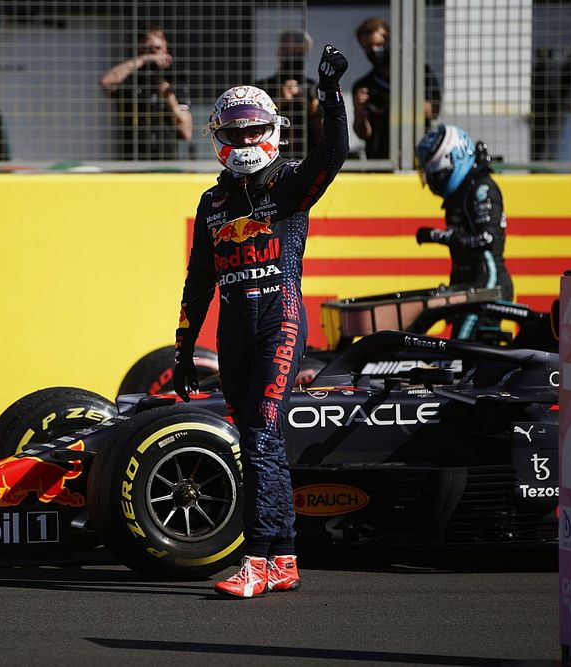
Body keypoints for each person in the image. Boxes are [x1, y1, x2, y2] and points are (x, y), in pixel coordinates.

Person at [173, 45, 349, 598]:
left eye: (255, 132)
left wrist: (330, 95)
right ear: (220, 137)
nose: (247, 142)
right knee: (260, 443)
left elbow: (335, 153)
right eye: (237, 133)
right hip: (232, 334)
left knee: (258, 439)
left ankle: (255, 559)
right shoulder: (211, 204)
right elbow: (198, 281)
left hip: (281, 323)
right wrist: (182, 347)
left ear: (273, 130)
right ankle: (285, 557)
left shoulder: (293, 184)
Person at [415, 124, 513, 341]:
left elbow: (487, 239)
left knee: (461, 348)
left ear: (456, 158)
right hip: (468, 286)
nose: (433, 183)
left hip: (489, 286)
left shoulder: (482, 189)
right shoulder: (459, 194)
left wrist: (440, 236)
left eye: (438, 174)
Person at [351, 17, 441, 159]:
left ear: (389, 40)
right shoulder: (364, 85)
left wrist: (398, 98)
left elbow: (434, 111)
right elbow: (363, 134)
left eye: (379, 44)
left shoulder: (418, 73)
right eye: (368, 47)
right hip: (380, 160)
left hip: (415, 156)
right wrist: (359, 110)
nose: (375, 50)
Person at [99, 26, 192, 160]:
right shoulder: (130, 79)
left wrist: (168, 96)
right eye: (148, 49)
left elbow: (185, 132)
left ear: (166, 49)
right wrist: (143, 60)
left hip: (166, 159)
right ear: (139, 49)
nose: (154, 54)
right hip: (132, 158)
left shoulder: (175, 79)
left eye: (157, 48)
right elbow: (106, 82)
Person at [255, 31, 322, 158]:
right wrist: (278, 102)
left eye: (298, 52)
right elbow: (252, 122)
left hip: (309, 157)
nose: (292, 57)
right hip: (270, 156)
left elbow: (325, 134)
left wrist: (312, 110)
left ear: (305, 54)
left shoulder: (314, 88)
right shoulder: (263, 88)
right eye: (288, 52)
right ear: (279, 53)